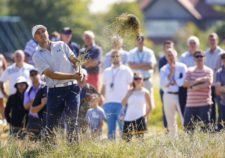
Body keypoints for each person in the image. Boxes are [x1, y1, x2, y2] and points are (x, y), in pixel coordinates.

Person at [32, 24, 83, 142]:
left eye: (43, 30)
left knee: (72, 121)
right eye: (38, 33)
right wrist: (73, 76)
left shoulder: (61, 45)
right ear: (35, 38)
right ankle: (51, 151)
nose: (41, 33)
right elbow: (51, 74)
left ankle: (74, 151)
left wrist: (80, 71)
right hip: (54, 91)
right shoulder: (37, 55)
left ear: (47, 32)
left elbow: (76, 61)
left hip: (72, 89)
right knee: (51, 125)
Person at [101, 49, 133, 140]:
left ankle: (125, 149)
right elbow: (103, 87)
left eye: (117, 56)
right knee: (111, 130)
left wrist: (126, 99)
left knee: (123, 128)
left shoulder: (126, 70)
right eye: (113, 56)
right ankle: (112, 150)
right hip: (108, 103)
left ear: (121, 57)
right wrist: (102, 98)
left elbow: (132, 86)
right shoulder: (106, 70)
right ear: (110, 58)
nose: (115, 57)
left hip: (121, 103)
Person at [183, 50, 213, 133]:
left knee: (205, 130)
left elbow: (207, 84)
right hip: (190, 105)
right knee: (188, 129)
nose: (199, 58)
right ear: (194, 59)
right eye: (197, 56)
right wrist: (200, 80)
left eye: (201, 56)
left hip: (204, 104)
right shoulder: (189, 70)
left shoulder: (208, 71)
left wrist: (192, 85)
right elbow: (185, 84)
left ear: (204, 58)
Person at [160, 48, 187, 137]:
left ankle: (187, 137)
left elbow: (183, 81)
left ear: (176, 55)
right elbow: (163, 84)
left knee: (184, 118)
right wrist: (171, 73)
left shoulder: (182, 67)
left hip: (180, 95)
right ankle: (173, 140)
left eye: (172, 55)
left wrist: (174, 82)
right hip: (168, 95)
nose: (170, 57)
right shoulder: (163, 69)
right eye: (168, 55)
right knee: (170, 120)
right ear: (166, 57)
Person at [128, 34, 157, 109]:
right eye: (138, 40)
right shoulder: (131, 52)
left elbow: (151, 66)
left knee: (148, 105)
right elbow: (131, 66)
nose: (140, 42)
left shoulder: (149, 52)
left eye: (142, 40)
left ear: (144, 41)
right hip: (135, 82)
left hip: (146, 81)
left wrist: (137, 65)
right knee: (135, 103)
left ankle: (146, 120)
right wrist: (144, 64)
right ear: (136, 42)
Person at [122, 72, 152, 141]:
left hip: (140, 118)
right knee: (126, 141)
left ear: (142, 80)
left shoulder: (145, 92)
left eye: (139, 78)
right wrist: (128, 95)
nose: (138, 80)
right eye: (136, 79)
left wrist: (144, 117)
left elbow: (150, 107)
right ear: (133, 80)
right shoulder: (129, 91)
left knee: (140, 141)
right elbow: (123, 103)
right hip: (128, 118)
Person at [179, 36, 200, 116]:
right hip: (186, 87)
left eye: (194, 43)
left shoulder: (201, 56)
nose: (192, 45)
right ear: (188, 45)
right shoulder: (183, 57)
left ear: (198, 45)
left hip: (199, 86)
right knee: (187, 108)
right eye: (190, 43)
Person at [205, 33, 223, 124]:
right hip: (208, 85)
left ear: (217, 40)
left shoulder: (222, 53)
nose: (212, 41)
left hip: (218, 84)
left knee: (220, 106)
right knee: (210, 106)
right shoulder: (206, 54)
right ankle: (212, 126)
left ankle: (220, 126)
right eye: (211, 40)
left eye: (214, 40)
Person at [158, 40, 174, 129]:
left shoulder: (177, 60)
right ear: (164, 48)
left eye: (170, 46)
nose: (168, 48)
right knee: (165, 109)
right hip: (165, 89)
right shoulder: (162, 60)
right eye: (167, 47)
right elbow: (163, 77)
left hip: (175, 89)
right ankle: (167, 128)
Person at [78, 68, 100, 133]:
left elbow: (98, 97)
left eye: (83, 75)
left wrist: (94, 98)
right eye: (79, 75)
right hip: (76, 118)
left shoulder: (91, 88)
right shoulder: (73, 88)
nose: (81, 77)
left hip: (90, 118)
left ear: (86, 77)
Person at [23, 69, 43, 137]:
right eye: (32, 75)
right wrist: (34, 101)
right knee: (32, 141)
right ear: (30, 77)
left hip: (45, 117)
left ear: (39, 75)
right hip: (33, 119)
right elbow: (25, 106)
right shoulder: (28, 91)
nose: (34, 76)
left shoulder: (46, 87)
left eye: (35, 73)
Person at [215, 53, 225, 130]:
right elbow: (218, 90)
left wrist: (223, 88)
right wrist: (221, 88)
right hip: (222, 102)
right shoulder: (219, 72)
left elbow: (221, 88)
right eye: (223, 58)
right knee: (221, 125)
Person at [0, 54, 7, 124]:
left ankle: (4, 118)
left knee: (1, 102)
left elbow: (6, 69)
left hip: (0, 82)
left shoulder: (1, 56)